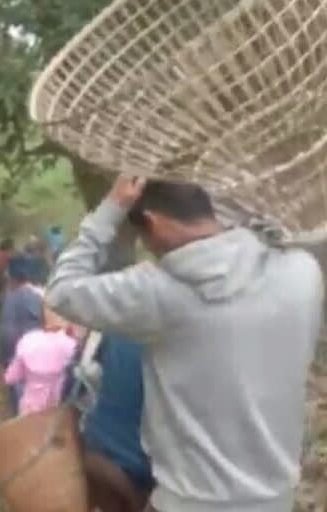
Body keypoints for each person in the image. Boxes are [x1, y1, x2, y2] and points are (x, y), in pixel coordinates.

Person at [45, 176, 324, 512]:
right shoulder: (303, 271)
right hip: (275, 501)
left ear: (153, 222)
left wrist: (109, 209)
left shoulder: (156, 293)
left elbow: (61, 291)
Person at [83, 333, 154, 512]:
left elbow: (93, 371)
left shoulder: (118, 323)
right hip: (138, 469)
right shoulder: (173, 336)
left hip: (96, 451)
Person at [3, 308, 78, 416]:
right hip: (55, 407)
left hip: (29, 408)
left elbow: (10, 378)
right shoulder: (70, 344)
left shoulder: (28, 340)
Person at [0, 254, 43, 415]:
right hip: (39, 354)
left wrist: (3, 359)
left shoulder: (12, 298)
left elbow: (7, 332)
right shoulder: (40, 295)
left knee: (18, 400)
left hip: (16, 354)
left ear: (12, 276)